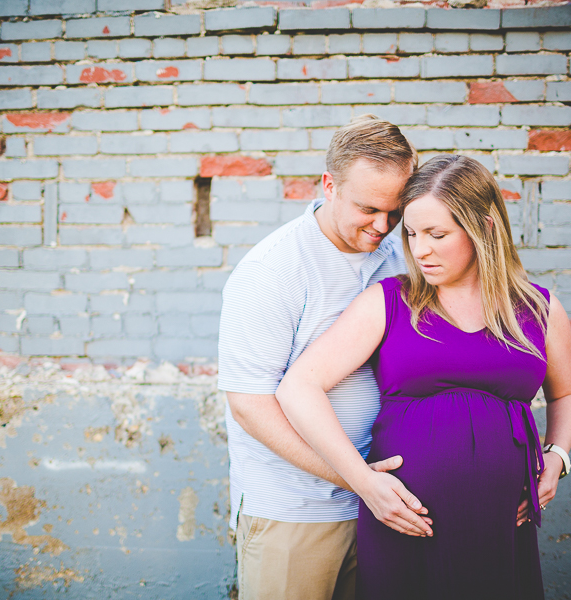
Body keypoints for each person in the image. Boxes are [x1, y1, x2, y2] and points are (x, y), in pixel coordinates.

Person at [276, 154, 571, 599]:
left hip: (499, 526)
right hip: (405, 523)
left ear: (485, 227)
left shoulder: (539, 309)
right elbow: (298, 387)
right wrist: (364, 483)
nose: (420, 250)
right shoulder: (390, 302)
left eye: (437, 235)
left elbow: (567, 395)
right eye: (412, 234)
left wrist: (555, 459)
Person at [217, 114, 431, 600]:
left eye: (395, 212)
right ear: (329, 185)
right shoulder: (272, 270)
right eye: (368, 208)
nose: (383, 225)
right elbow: (250, 405)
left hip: (384, 510)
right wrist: (359, 480)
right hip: (294, 513)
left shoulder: (402, 258)